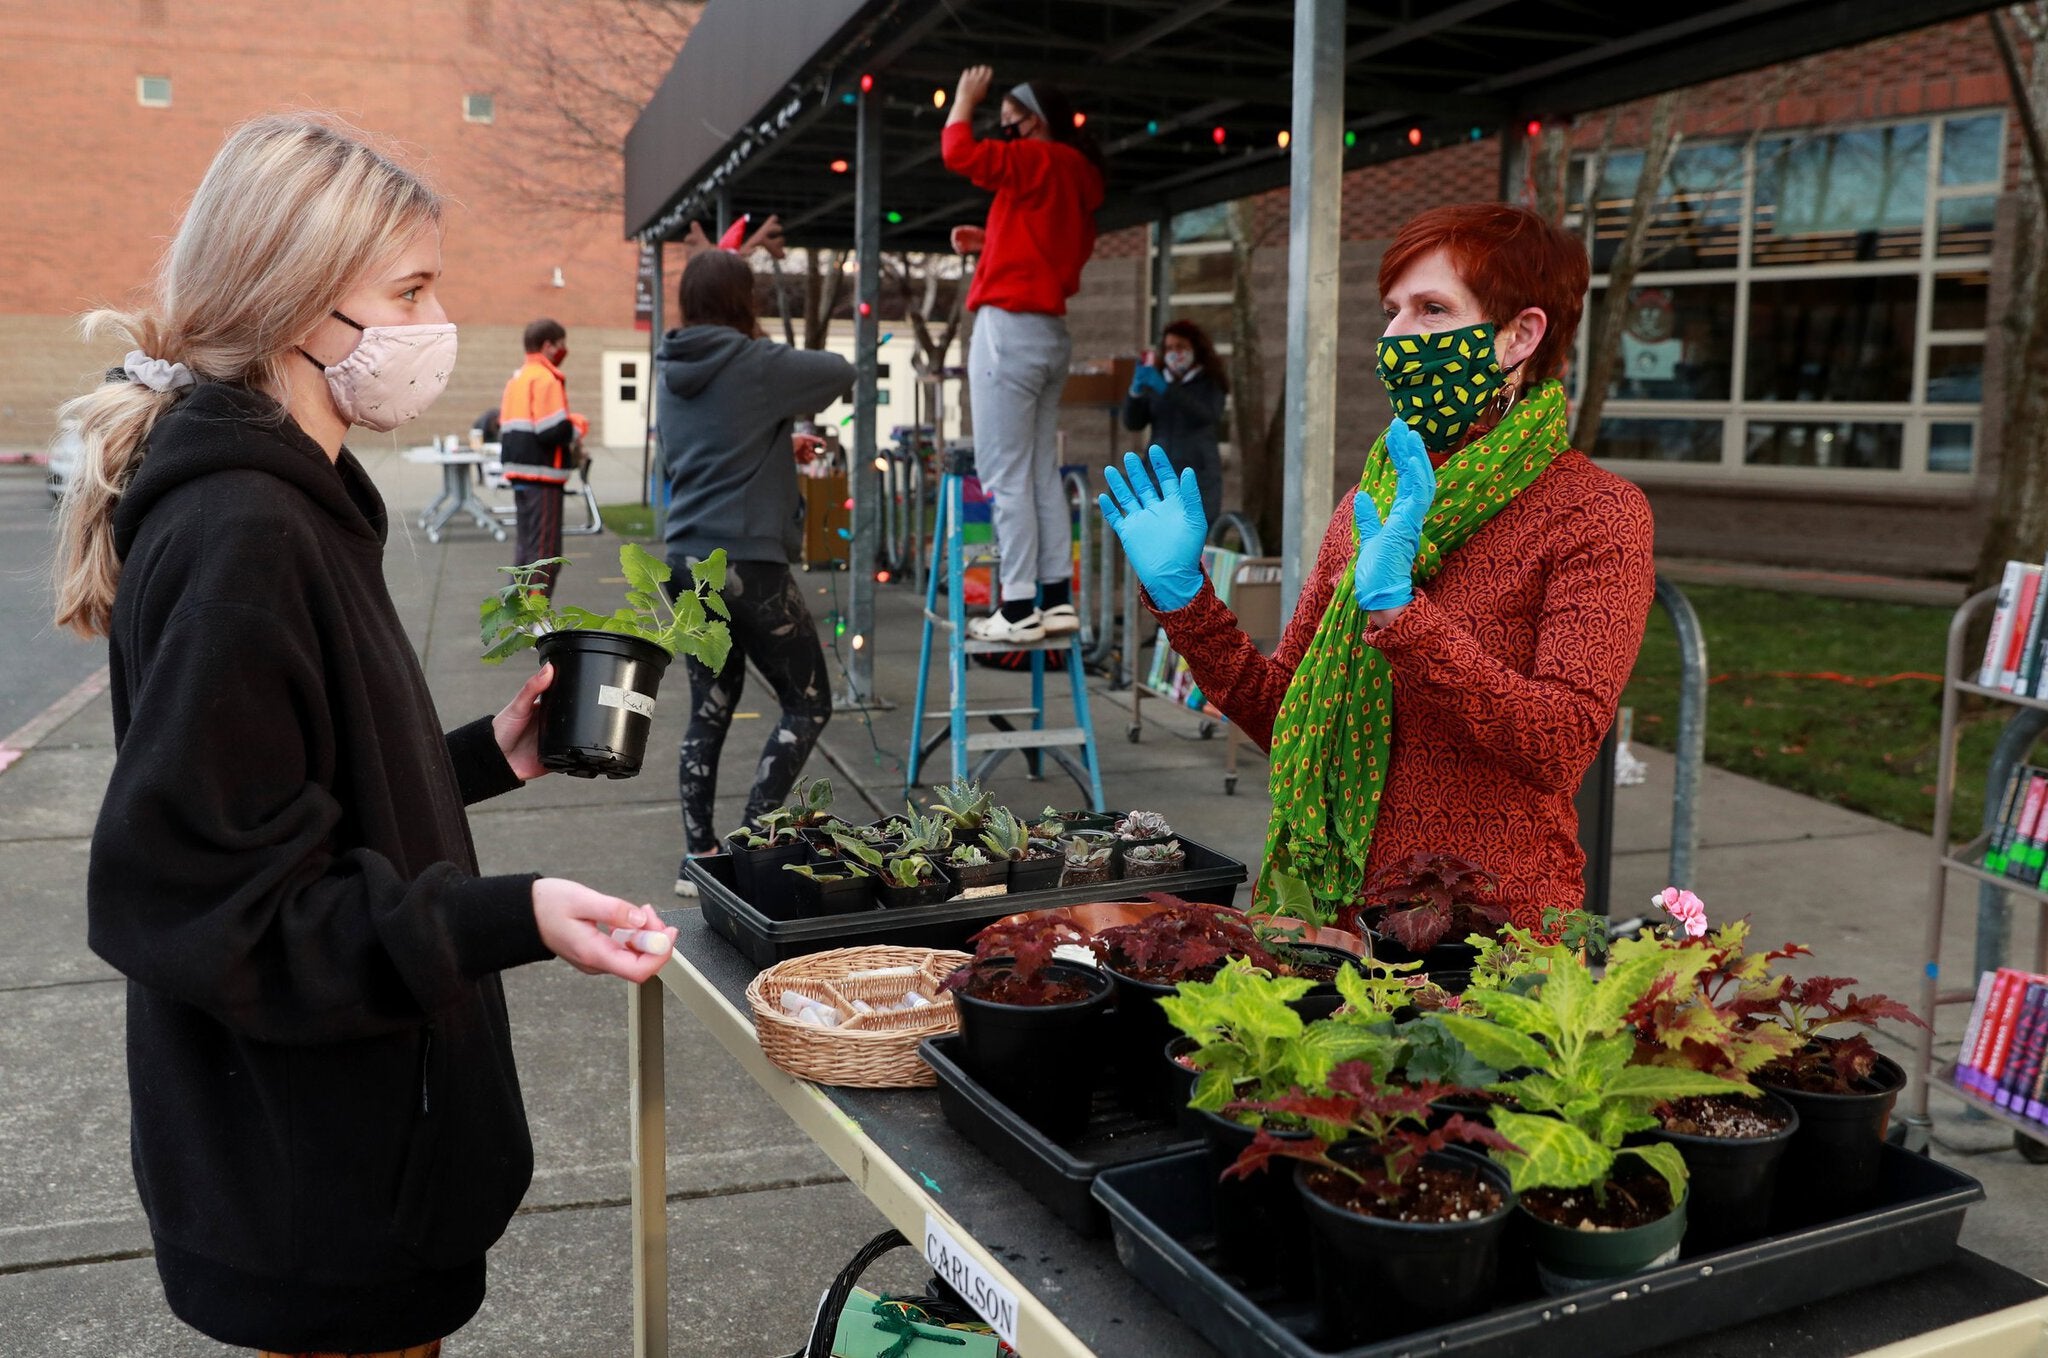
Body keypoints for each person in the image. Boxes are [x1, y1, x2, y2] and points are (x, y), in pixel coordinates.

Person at [51, 114, 676, 1355]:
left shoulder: (300, 506)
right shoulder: (246, 534)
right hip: (316, 1184)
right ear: (297, 308)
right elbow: (203, 901)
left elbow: (292, 794)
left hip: (345, 1159)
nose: (433, 323)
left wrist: (479, 760)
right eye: (409, 289)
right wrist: (516, 913)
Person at [1099, 203, 1656, 932]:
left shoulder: (1594, 511)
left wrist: (1402, 618)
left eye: (1432, 310)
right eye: (1393, 310)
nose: (1395, 337)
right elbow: (1285, 715)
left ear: (1520, 334)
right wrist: (1185, 597)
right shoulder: (1370, 500)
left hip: (1484, 936)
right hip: (1330, 921)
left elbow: (1559, 744)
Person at [655, 248, 853, 896]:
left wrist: (776, 441)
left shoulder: (672, 364)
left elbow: (718, 441)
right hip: (748, 561)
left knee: (709, 708)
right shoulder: (754, 360)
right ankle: (747, 845)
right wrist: (763, 345)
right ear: (744, 302)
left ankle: (697, 858)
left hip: (687, 559)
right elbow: (840, 368)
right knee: (809, 703)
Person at [942, 65, 1105, 644]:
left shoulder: (1038, 158)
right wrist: (989, 243)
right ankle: (1056, 597)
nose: (1002, 120)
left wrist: (963, 99)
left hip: (1006, 329)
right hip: (1048, 331)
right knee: (1037, 471)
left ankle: (1015, 607)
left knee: (1004, 472)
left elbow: (960, 152)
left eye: (1010, 112)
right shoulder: (1078, 175)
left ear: (1033, 119)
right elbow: (1048, 246)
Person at [498, 318, 587, 597]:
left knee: (525, 550)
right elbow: (551, 430)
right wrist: (578, 425)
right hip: (543, 477)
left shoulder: (518, 378)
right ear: (548, 346)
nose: (564, 350)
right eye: (561, 345)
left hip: (520, 475)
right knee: (546, 554)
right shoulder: (546, 379)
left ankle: (517, 612)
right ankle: (537, 617)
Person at [1122, 319, 1229, 526]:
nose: (1174, 352)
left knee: (1195, 535)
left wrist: (1167, 390)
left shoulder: (1210, 382)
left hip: (1198, 476)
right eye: (1169, 348)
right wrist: (1135, 391)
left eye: (1181, 347)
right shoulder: (1158, 380)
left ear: (1195, 349)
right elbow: (1133, 422)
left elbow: (1207, 415)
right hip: (1159, 474)